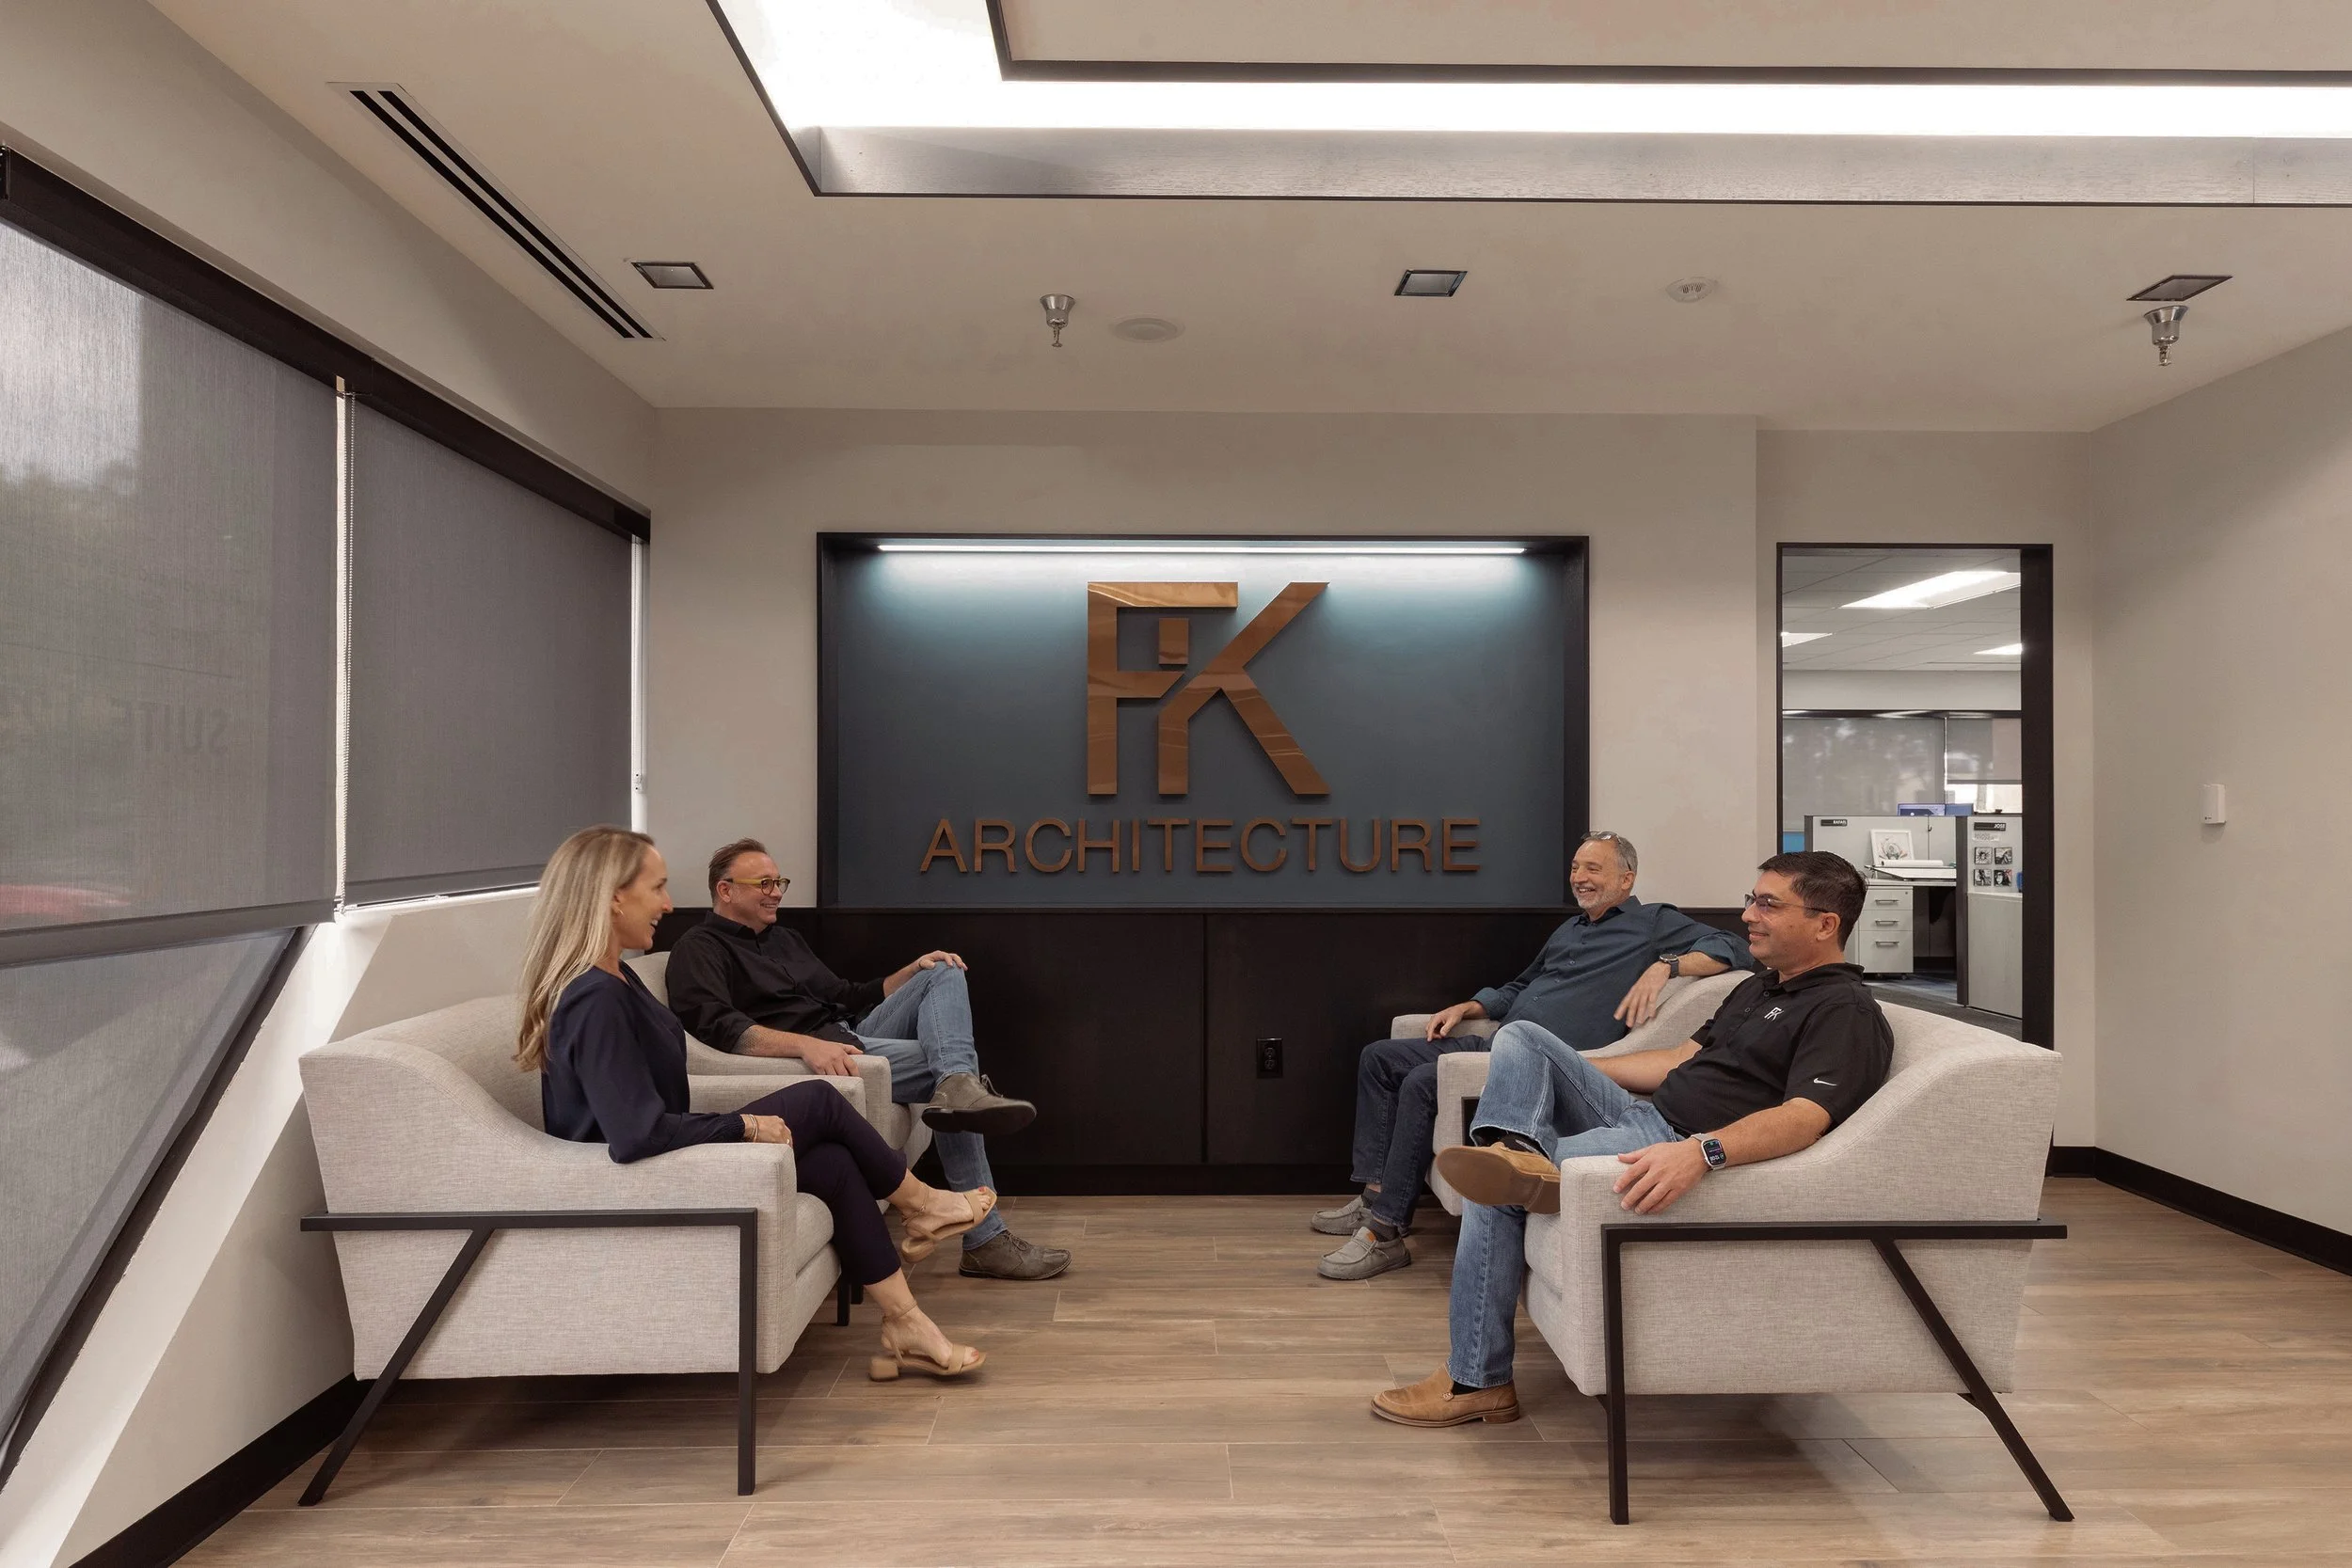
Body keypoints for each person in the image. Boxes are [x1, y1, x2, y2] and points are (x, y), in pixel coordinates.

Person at [1372, 850, 1894, 1427]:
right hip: (1643, 1113)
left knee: (1493, 1193)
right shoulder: (1759, 987)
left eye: (1768, 904)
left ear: (1826, 924)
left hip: (1673, 1139)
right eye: (1751, 899)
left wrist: (1702, 1152)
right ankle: (1517, 1153)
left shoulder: (1844, 1009)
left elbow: (1805, 1116)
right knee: (1522, 1036)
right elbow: (1677, 1059)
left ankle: (1476, 1380)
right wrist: (1572, 1066)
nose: (1748, 915)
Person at [518, 826, 989, 1381]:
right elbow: (634, 1135)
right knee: (818, 1101)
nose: (669, 905)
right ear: (612, 895)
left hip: (665, 1151)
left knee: (835, 1165)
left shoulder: (615, 977)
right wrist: (742, 1126)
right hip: (632, 1178)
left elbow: (647, 1111)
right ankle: (922, 1204)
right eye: (659, 888)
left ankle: (908, 1322)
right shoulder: (595, 997)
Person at [1314, 832, 1749, 1282]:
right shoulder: (1570, 929)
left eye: (1593, 869)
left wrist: (1666, 966)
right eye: (1576, 868)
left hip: (1541, 1061)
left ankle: (1385, 1232)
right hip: (1495, 1038)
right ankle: (1374, 1192)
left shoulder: (1654, 923)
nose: (1579, 878)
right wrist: (1470, 1007)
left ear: (1627, 878)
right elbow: (1521, 986)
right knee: (1379, 1057)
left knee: (1425, 1080)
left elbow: (1735, 948)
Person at [664, 838, 1071, 1282]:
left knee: (943, 970)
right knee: (954, 1083)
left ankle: (958, 1084)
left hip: (850, 1033)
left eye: (778, 881)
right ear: (726, 891)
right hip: (821, 1055)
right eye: (764, 883)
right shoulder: (698, 948)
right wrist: (803, 1045)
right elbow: (719, 1029)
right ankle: (985, 1238)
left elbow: (846, 996)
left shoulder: (785, 939)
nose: (777, 891)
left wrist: (913, 969)